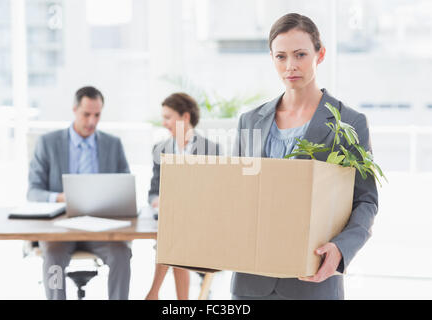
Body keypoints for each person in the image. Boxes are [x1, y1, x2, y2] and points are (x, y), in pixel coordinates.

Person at [231, 13, 378, 300]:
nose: (290, 66)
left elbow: (366, 200)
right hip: (251, 282)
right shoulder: (249, 121)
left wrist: (340, 248)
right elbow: (237, 192)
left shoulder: (348, 122)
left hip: (312, 279)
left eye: (300, 55)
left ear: (319, 55)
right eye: (281, 57)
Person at [28, 86, 132, 300]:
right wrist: (61, 198)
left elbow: (125, 187)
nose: (92, 121)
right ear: (74, 109)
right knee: (53, 258)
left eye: (97, 115)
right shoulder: (48, 144)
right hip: (61, 227)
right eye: (86, 114)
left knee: (121, 254)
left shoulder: (113, 145)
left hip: (102, 227)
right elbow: (33, 192)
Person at [145, 92, 221, 300]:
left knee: (173, 239)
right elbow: (153, 188)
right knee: (175, 236)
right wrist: (155, 201)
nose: (164, 123)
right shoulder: (160, 149)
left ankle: (153, 293)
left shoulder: (211, 150)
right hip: (171, 219)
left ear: (185, 117)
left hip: (201, 222)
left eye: (168, 117)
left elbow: (217, 193)